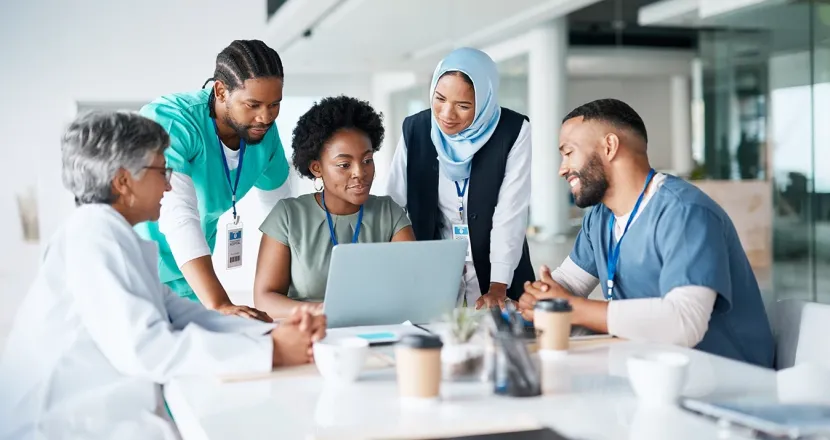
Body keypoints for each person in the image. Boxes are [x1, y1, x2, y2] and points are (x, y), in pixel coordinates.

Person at [0, 112, 326, 440]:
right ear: (123, 181)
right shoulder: (93, 234)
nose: (169, 184)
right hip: (60, 425)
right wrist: (273, 352)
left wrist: (276, 332)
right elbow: (147, 348)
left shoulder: (113, 234)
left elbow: (184, 316)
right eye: (161, 170)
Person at [518, 98, 774, 368]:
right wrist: (537, 297)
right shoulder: (599, 217)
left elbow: (684, 322)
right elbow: (568, 283)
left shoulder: (685, 212)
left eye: (568, 153)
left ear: (609, 147)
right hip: (654, 371)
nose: (562, 168)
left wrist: (569, 307)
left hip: (730, 380)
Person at [134, 39, 291, 322]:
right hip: (136, 272)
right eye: (253, 104)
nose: (265, 117)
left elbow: (281, 215)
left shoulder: (264, 133)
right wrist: (219, 303)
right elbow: (177, 214)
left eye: (275, 105)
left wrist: (287, 291)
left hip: (189, 281)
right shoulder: (174, 121)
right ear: (220, 91)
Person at [387, 47, 534, 310]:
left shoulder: (512, 132)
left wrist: (498, 286)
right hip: (434, 264)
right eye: (440, 98)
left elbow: (510, 213)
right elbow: (394, 205)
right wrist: (405, 266)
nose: (446, 114)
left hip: (499, 265)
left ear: (485, 101)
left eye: (463, 106)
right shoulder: (416, 129)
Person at [254, 96, 415, 318]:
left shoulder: (389, 213)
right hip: (309, 334)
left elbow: (413, 287)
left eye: (367, 160)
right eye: (344, 165)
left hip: (377, 330)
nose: (360, 172)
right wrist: (322, 311)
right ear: (316, 168)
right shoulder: (288, 216)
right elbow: (265, 299)